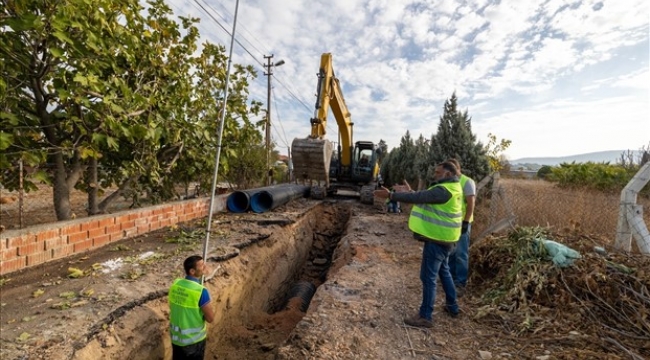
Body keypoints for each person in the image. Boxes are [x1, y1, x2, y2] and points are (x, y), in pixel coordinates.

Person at [380, 161, 463, 328]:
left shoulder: (443, 190)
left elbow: (419, 197)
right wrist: (410, 191)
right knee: (444, 272)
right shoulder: (454, 188)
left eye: (438, 172)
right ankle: (453, 307)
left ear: (447, 174)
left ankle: (425, 316)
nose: (435, 174)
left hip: (437, 240)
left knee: (428, 277)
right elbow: (424, 196)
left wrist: (391, 195)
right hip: (449, 240)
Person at [169, 255, 215, 360]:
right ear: (192, 271)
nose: (205, 267)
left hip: (176, 339)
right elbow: (210, 318)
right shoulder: (200, 291)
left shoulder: (176, 284)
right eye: (202, 265)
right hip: (194, 342)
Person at [446, 158, 476, 296]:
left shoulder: (467, 182)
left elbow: (471, 204)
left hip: (463, 222)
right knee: (451, 252)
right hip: (452, 223)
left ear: (457, 169)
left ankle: (460, 283)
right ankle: (450, 279)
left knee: (461, 253)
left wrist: (465, 222)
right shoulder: (450, 181)